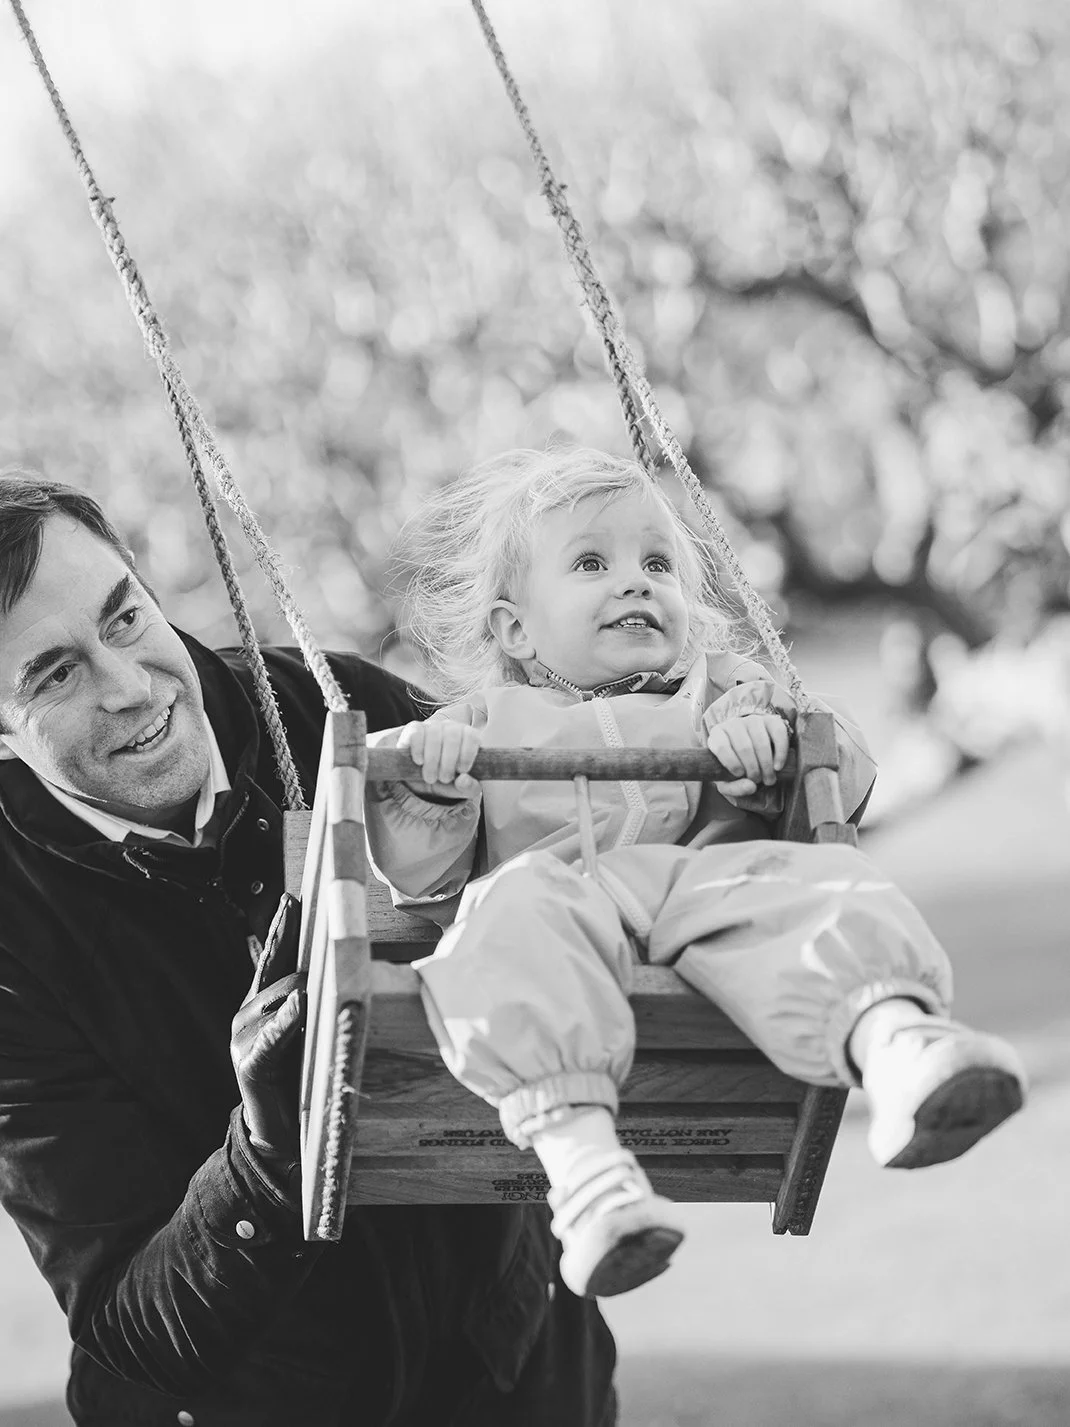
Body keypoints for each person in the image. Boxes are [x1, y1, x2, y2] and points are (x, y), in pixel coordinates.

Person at [0, 470, 618, 1426]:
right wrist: (269, 1148)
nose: (129, 688)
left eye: (123, 617)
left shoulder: (343, 711)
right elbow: (130, 1324)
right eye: (55, 674)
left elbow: (579, 849)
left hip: (515, 1357)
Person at [364, 446, 1028, 1302]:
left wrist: (777, 743)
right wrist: (427, 773)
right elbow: (419, 872)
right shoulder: (486, 722)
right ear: (515, 630)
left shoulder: (726, 692)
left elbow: (846, 777)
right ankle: (587, 1173)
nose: (636, 582)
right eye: (593, 563)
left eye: (657, 563)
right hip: (560, 905)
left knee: (804, 883)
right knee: (501, 918)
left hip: (701, 895)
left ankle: (899, 1044)